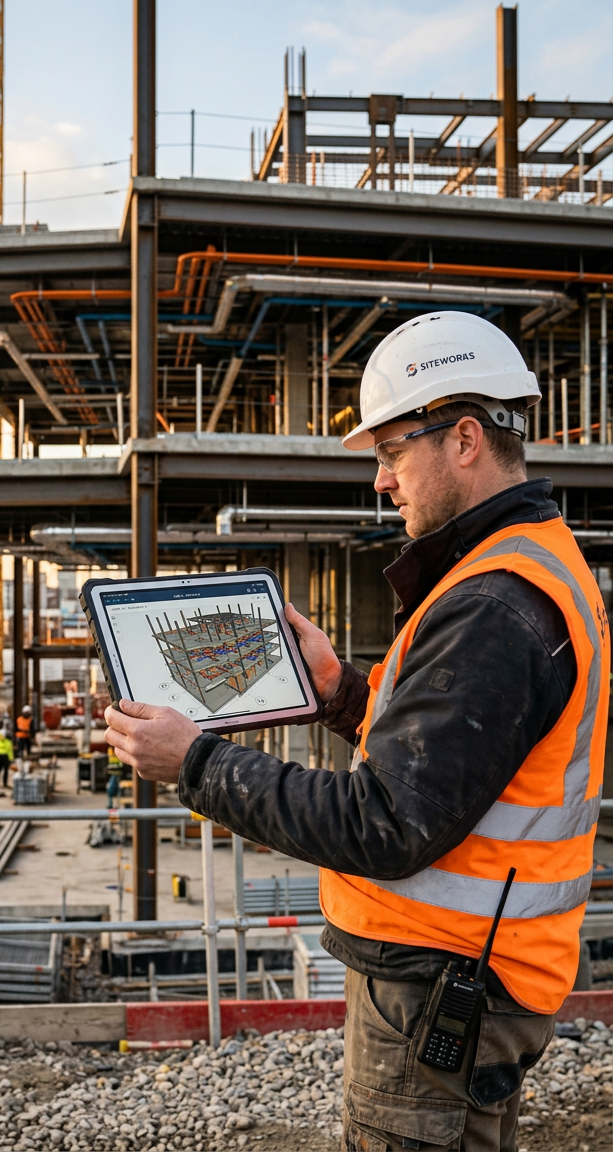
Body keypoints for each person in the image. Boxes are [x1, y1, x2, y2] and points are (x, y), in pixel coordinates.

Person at [103, 312, 609, 1152]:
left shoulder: (490, 604)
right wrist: (340, 692)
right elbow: (454, 766)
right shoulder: (526, 565)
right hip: (474, 976)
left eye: (390, 451)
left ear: (465, 438)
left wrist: (194, 761)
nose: (380, 480)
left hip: (444, 987)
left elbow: (386, 822)